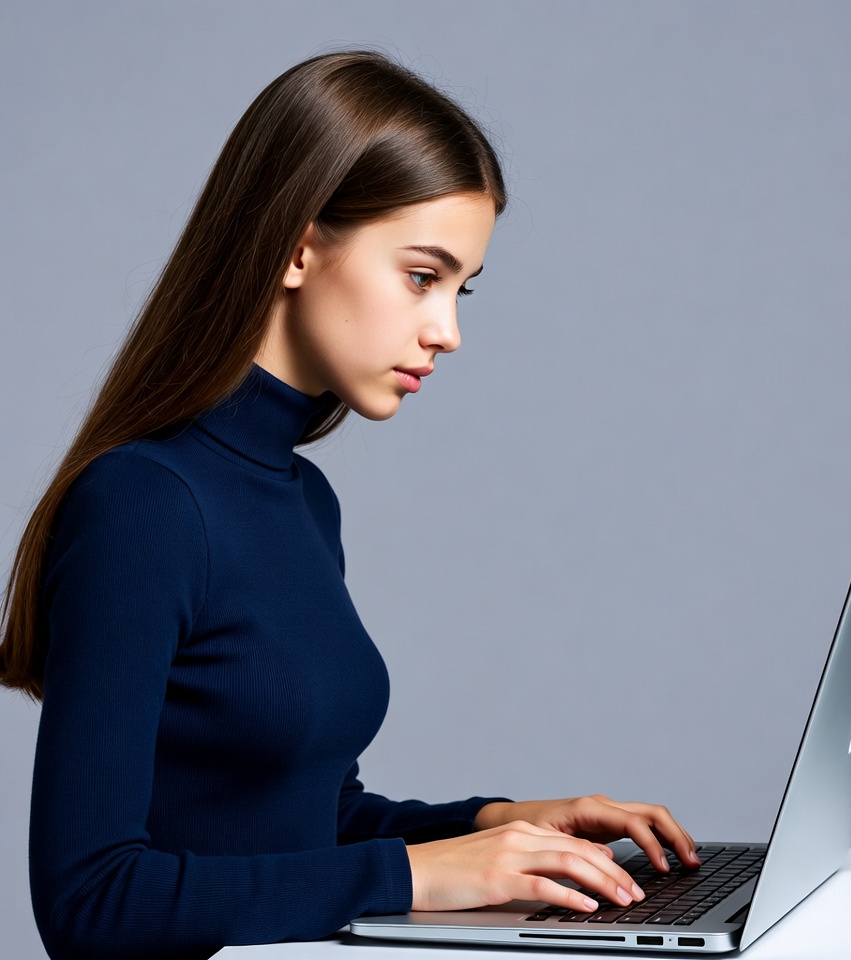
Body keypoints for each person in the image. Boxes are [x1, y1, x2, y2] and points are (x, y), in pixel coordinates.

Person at [0, 51, 700, 960]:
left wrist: (502, 826)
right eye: (422, 276)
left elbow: (305, 820)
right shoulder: (143, 505)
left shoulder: (302, 500)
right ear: (298, 247)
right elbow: (90, 903)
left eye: (461, 289)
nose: (446, 331)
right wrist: (423, 876)